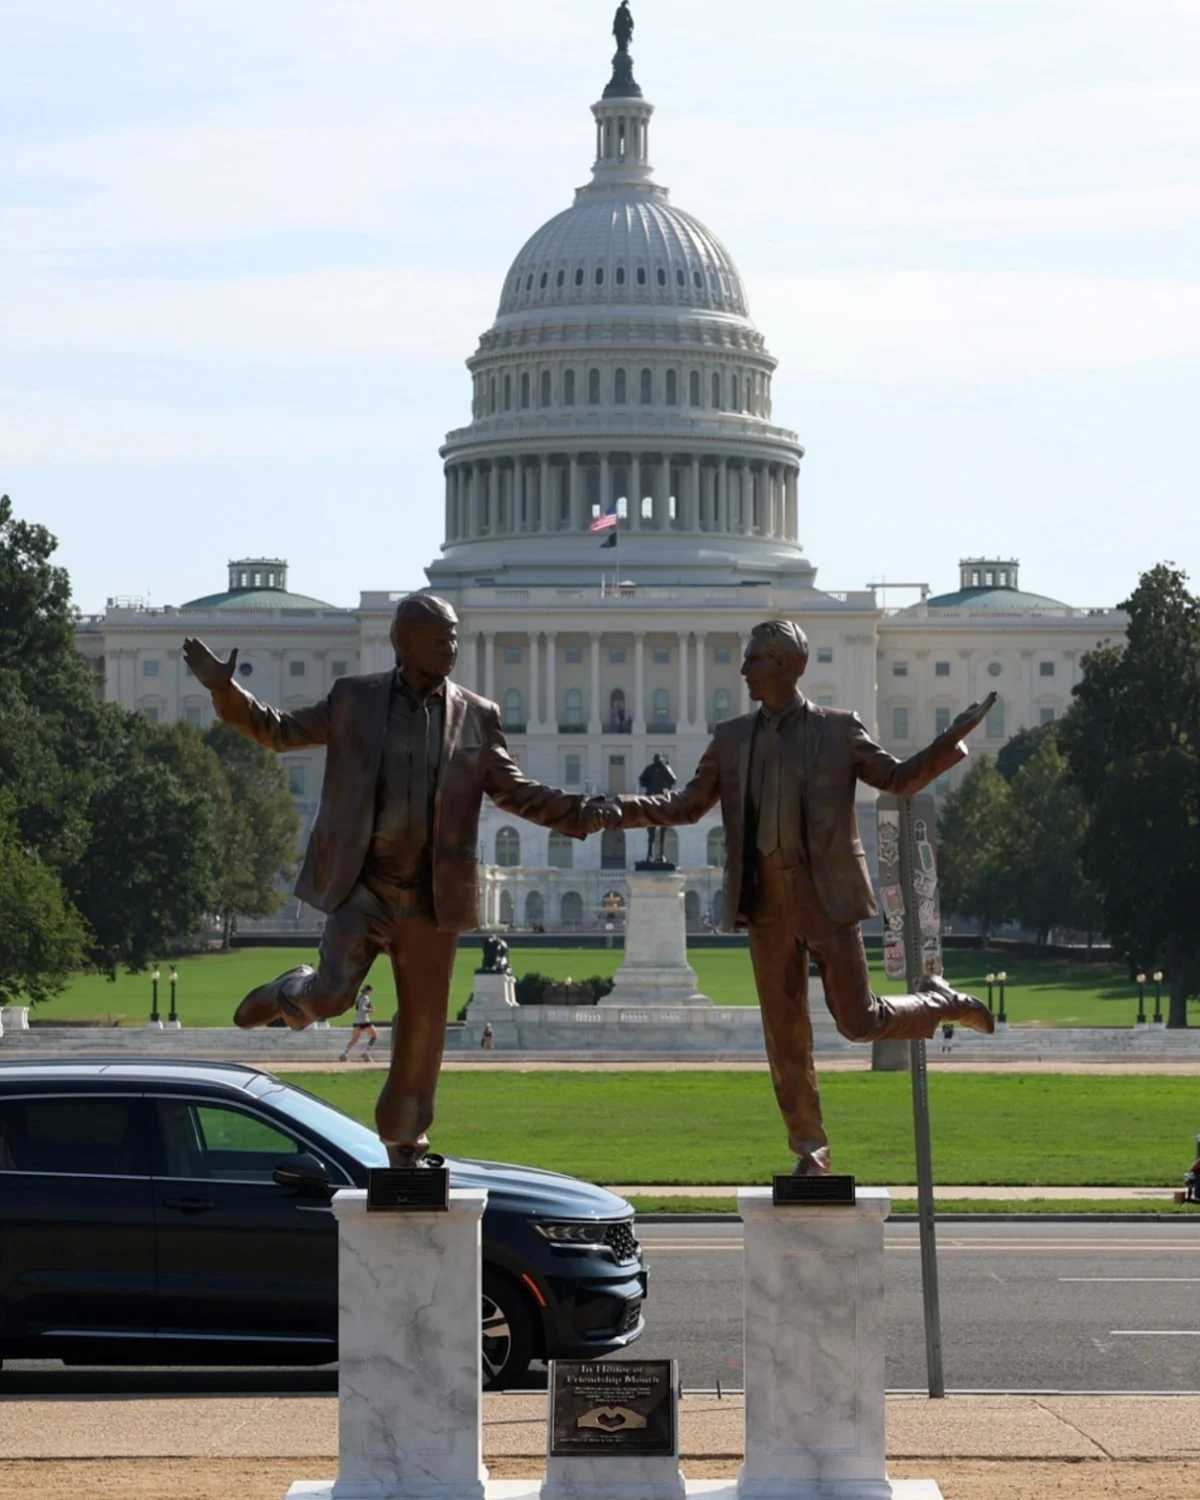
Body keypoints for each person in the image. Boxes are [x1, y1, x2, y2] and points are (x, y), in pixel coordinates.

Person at [182, 595, 606, 1167]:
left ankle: (404, 1140)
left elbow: (514, 790)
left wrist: (581, 813)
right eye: (439, 639)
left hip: (434, 896)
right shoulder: (355, 698)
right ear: (403, 644)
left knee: (424, 1026)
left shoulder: (477, 714)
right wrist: (225, 692)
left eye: (455, 638)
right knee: (332, 995)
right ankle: (292, 991)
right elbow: (278, 732)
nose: (451, 649)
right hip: (365, 883)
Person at [604, 619, 997, 1177]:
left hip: (825, 896)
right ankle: (811, 1149)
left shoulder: (838, 731)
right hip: (765, 905)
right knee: (784, 1036)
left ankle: (937, 1002)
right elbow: (688, 805)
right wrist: (623, 809)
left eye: (753, 662)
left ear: (786, 665)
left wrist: (948, 742)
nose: (742, 671)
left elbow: (898, 779)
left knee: (858, 1021)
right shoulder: (732, 737)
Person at [340, 984, 378, 1062]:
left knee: (354, 1039)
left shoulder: (360, 997)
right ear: (368, 991)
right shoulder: (365, 997)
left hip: (357, 1021)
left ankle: (345, 1053)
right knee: (374, 1036)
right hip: (364, 1021)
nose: (371, 993)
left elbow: (357, 1007)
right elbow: (362, 1008)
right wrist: (370, 1010)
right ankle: (366, 1053)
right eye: (370, 991)